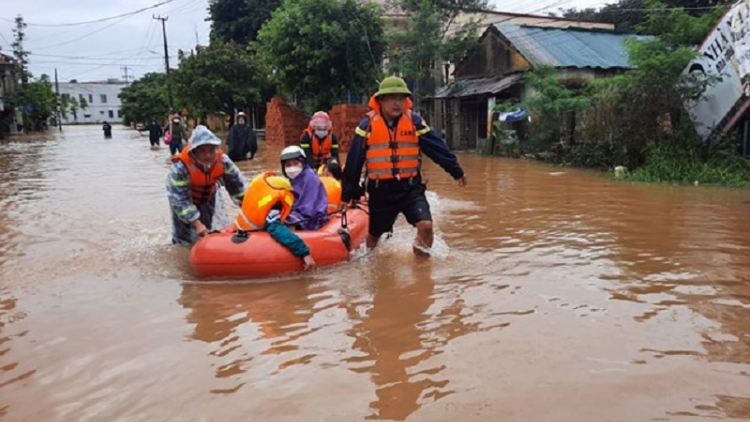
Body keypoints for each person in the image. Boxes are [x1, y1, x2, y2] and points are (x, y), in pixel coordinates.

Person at [341, 76, 467, 256]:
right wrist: (347, 194)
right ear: (381, 100)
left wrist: (456, 170)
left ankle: (422, 272)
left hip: (410, 188)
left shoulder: (414, 122)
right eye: (392, 98)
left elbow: (436, 148)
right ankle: (369, 267)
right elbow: (354, 161)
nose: (397, 103)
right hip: (380, 191)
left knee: (426, 226)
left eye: (401, 98)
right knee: (374, 237)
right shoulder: (367, 125)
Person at [167, 125, 247, 246]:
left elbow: (238, 188)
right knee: (183, 240)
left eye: (211, 150)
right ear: (194, 152)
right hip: (185, 203)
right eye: (202, 151)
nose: (208, 155)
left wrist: (249, 210)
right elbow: (179, 200)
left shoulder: (223, 161)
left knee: (206, 230)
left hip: (207, 199)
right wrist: (196, 223)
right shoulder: (180, 168)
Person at [235, 172, 316, 270]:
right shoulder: (272, 207)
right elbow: (279, 231)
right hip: (248, 245)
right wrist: (305, 253)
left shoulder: (260, 197)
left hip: (239, 232)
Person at [280, 145, 330, 231]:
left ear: (303, 163)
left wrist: (291, 218)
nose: (292, 168)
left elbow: (309, 207)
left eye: (296, 163)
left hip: (312, 219)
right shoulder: (291, 181)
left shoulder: (310, 178)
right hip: (297, 214)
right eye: (288, 165)